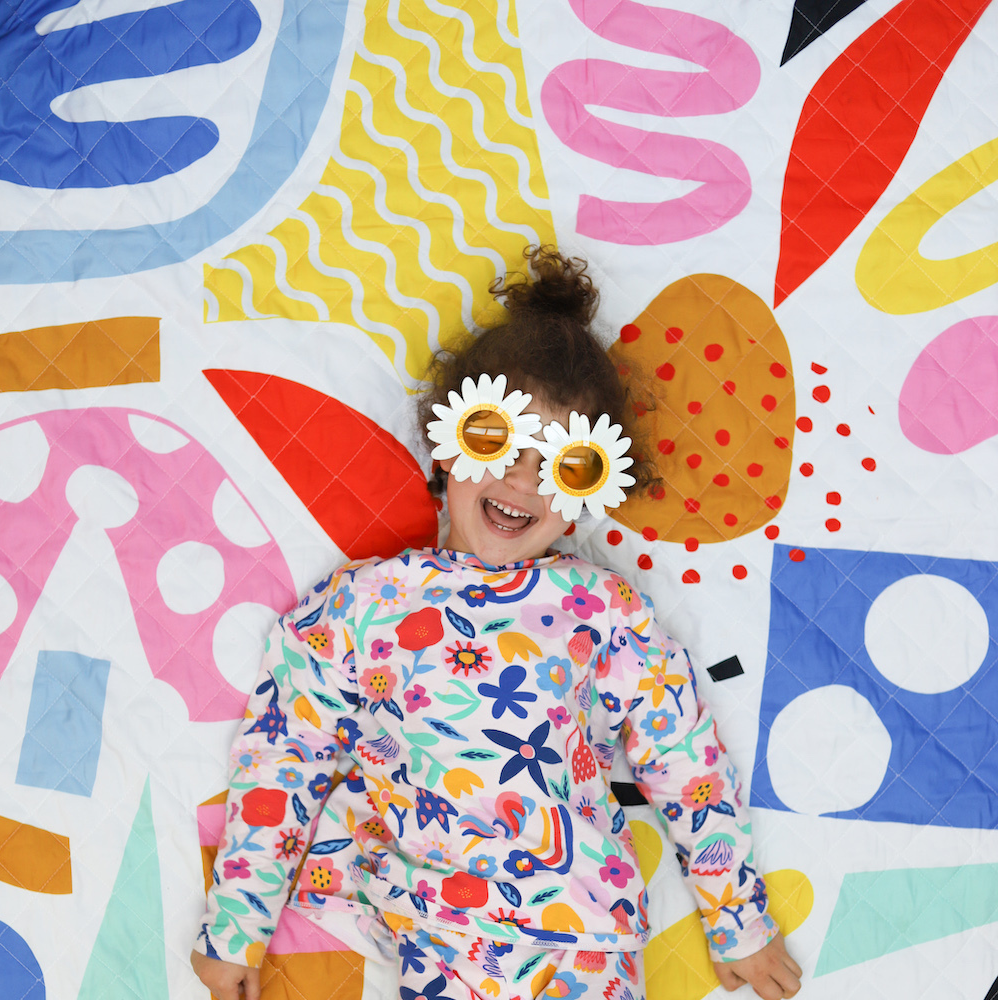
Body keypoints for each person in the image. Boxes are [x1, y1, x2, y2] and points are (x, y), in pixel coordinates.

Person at [191, 247, 802, 1000]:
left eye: (564, 464)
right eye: (497, 439)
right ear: (446, 444)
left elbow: (682, 757)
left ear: (589, 490)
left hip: (585, 940)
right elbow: (284, 756)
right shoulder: (362, 605)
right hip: (436, 940)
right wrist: (236, 925)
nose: (522, 476)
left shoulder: (602, 611)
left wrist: (735, 917)